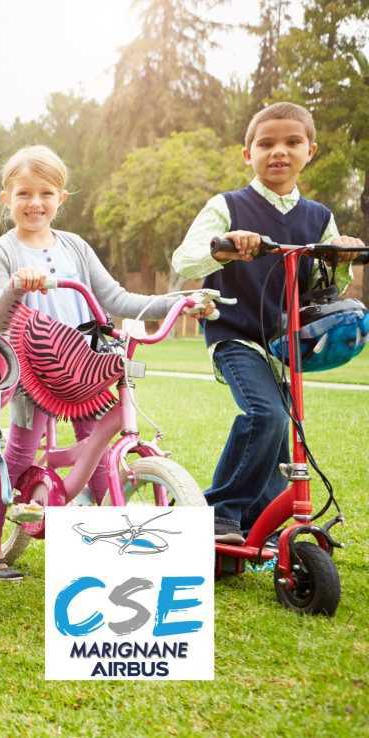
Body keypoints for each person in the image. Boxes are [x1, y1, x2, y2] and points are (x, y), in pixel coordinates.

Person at [0, 145, 209, 580]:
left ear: (61, 198)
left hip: (84, 365)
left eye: (46, 193)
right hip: (31, 367)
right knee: (19, 452)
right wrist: (15, 286)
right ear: (6, 197)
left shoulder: (76, 247)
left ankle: (115, 538)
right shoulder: (2, 250)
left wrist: (179, 301)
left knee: (99, 448)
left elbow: (118, 299)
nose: (35, 203)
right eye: (24, 193)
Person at [171, 101, 364, 545]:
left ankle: (259, 525)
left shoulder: (318, 217)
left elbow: (328, 285)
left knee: (287, 431)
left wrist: (342, 255)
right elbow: (185, 258)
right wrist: (225, 247)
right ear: (248, 154)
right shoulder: (228, 206)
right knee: (267, 414)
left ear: (309, 150)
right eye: (266, 143)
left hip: (286, 340)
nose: (279, 151)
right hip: (234, 332)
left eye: (292, 142)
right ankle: (220, 511)